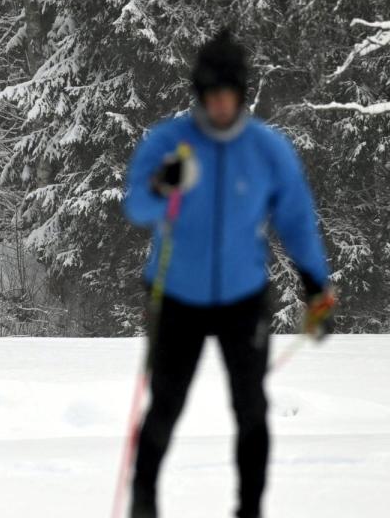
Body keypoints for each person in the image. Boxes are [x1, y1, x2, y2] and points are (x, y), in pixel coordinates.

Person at [122, 28, 336, 518]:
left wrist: (315, 284)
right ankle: (143, 504)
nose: (220, 105)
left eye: (229, 94)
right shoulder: (170, 142)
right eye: (211, 95)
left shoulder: (267, 149)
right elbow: (135, 205)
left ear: (241, 94)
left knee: (251, 408)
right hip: (175, 296)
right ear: (199, 96)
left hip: (242, 298)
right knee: (166, 404)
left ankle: (249, 509)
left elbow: (297, 220)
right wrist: (160, 185)